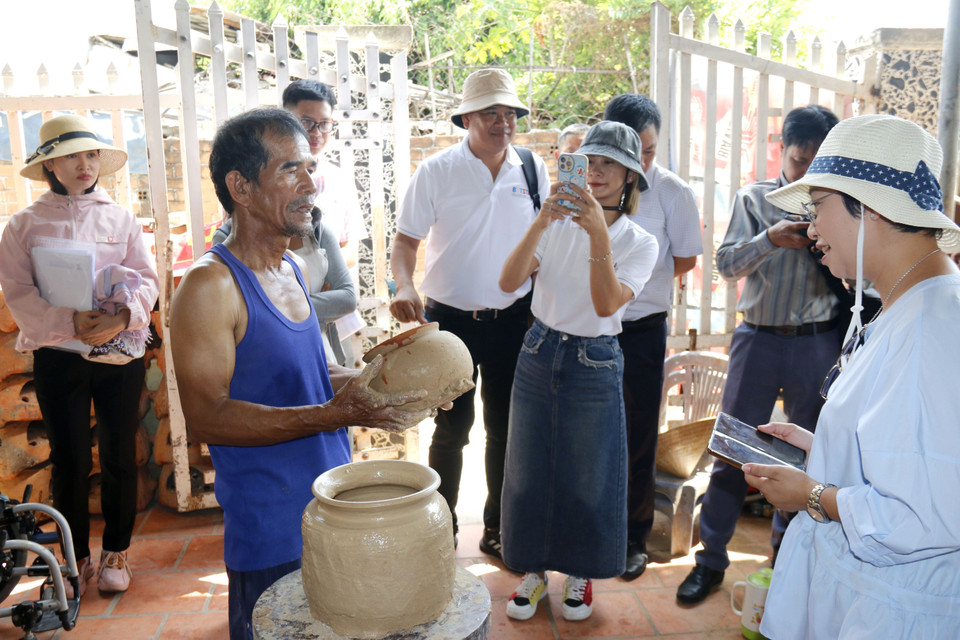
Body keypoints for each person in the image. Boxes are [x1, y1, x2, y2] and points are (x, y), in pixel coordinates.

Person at [168, 107, 434, 640]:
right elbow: (207, 418)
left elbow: (317, 372)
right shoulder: (209, 286)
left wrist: (387, 386)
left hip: (335, 513)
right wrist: (335, 414)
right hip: (272, 535)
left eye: (311, 167)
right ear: (240, 187)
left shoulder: (290, 266)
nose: (310, 184)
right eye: (290, 169)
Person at [745, 114, 960, 638]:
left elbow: (927, 514)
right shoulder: (910, 304)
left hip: (891, 612)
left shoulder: (934, 326)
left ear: (867, 208)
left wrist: (812, 496)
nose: (811, 227)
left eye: (818, 207)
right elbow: (908, 456)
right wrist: (825, 448)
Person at [676, 105, 841, 605]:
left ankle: (784, 563)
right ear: (782, 151)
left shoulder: (838, 204)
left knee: (807, 457)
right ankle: (709, 562)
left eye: (817, 161)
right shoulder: (754, 198)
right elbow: (725, 264)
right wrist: (770, 238)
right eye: (798, 159)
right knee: (734, 452)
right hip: (758, 337)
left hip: (818, 341)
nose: (806, 170)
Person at [499, 121, 658, 622]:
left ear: (632, 175)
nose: (596, 172)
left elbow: (607, 301)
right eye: (588, 162)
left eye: (609, 163)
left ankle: (581, 571)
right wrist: (542, 221)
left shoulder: (640, 241)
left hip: (595, 358)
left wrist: (596, 234)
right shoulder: (556, 225)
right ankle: (534, 568)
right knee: (528, 468)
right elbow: (507, 282)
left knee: (588, 475)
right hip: (539, 348)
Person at [389, 68, 550, 559]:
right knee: (452, 431)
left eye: (509, 113)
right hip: (451, 323)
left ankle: (499, 528)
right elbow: (404, 241)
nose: (502, 122)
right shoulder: (436, 171)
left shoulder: (530, 167)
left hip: (513, 321)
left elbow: (544, 238)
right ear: (467, 119)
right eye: (489, 113)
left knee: (505, 430)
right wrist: (403, 284)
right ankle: (442, 527)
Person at [0, 114, 160, 597]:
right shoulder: (24, 225)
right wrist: (69, 324)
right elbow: (17, 292)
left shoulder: (122, 219)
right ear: (50, 165)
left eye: (91, 154)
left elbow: (147, 281)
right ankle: (74, 559)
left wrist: (119, 319)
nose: (85, 164)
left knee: (118, 454)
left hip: (118, 354)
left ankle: (116, 552)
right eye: (72, 155)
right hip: (58, 355)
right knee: (68, 458)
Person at [603, 93, 703, 580]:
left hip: (640, 329)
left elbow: (683, 260)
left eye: (650, 149)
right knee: (588, 433)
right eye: (633, 151)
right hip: (587, 328)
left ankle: (632, 537)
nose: (643, 161)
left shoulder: (673, 193)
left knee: (638, 434)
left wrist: (641, 284)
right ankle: (590, 528)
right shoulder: (590, 186)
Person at [283, 79, 368, 364]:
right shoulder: (263, 179)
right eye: (307, 122)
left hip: (328, 312)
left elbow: (351, 251)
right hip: (277, 317)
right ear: (286, 120)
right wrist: (312, 277)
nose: (316, 133)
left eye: (324, 123)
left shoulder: (339, 179)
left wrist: (322, 276)